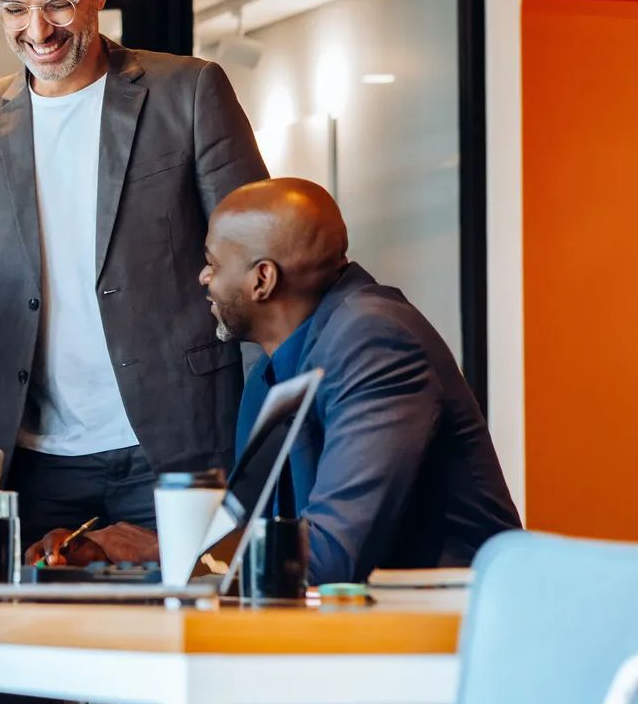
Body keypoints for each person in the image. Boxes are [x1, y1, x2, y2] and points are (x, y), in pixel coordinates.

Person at [0, 0, 268, 553]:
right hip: (32, 455)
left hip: (177, 444)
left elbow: (259, 271)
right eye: (14, 8)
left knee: (182, 633)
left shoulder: (188, 93)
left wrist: (266, 440)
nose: (37, 31)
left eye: (58, 4)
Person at [28, 177, 521, 586]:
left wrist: (162, 549)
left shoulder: (372, 339)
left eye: (213, 264)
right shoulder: (272, 368)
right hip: (343, 634)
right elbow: (249, 539)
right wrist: (120, 551)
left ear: (262, 280)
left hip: (443, 644)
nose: (203, 278)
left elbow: (330, 555)